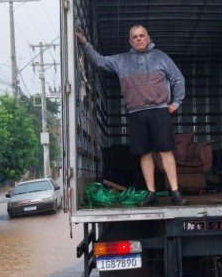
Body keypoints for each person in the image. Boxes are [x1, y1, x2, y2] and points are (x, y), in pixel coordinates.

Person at [75, 25, 188, 206]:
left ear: (148, 38)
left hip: (159, 110)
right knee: (144, 154)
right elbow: (99, 62)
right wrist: (85, 44)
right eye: (134, 37)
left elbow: (178, 78)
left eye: (141, 35)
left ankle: (175, 192)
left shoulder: (161, 57)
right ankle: (151, 193)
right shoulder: (121, 60)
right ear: (130, 41)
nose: (138, 39)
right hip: (136, 113)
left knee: (166, 152)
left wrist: (176, 103)